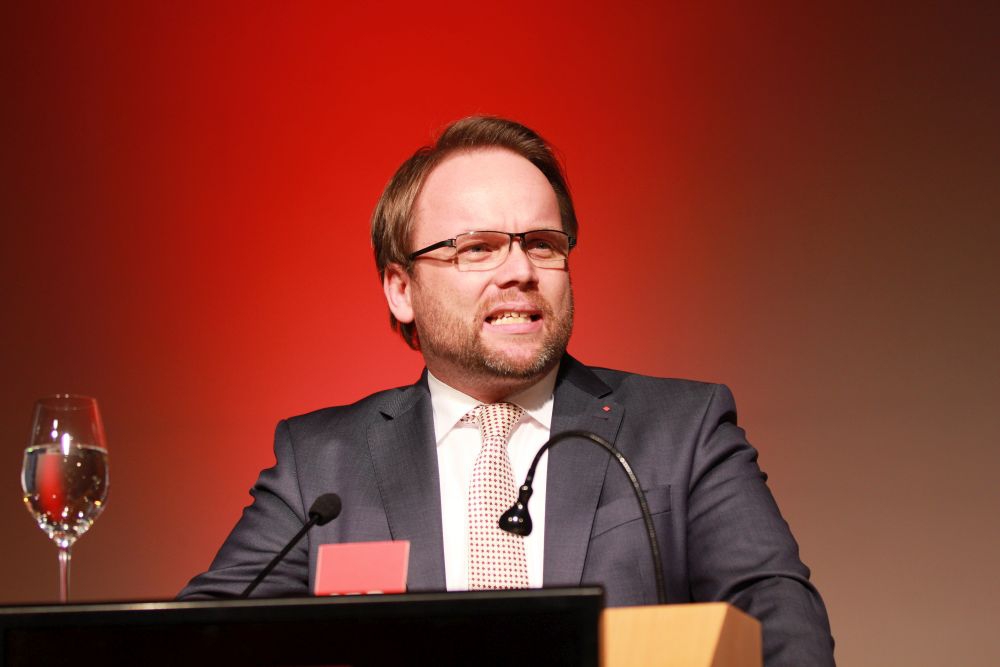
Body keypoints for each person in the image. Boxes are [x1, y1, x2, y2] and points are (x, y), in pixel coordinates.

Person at [179, 116, 835, 665]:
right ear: (401, 289)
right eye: (478, 248)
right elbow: (194, 641)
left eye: (543, 244)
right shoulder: (321, 465)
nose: (520, 270)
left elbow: (782, 629)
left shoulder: (683, 430)